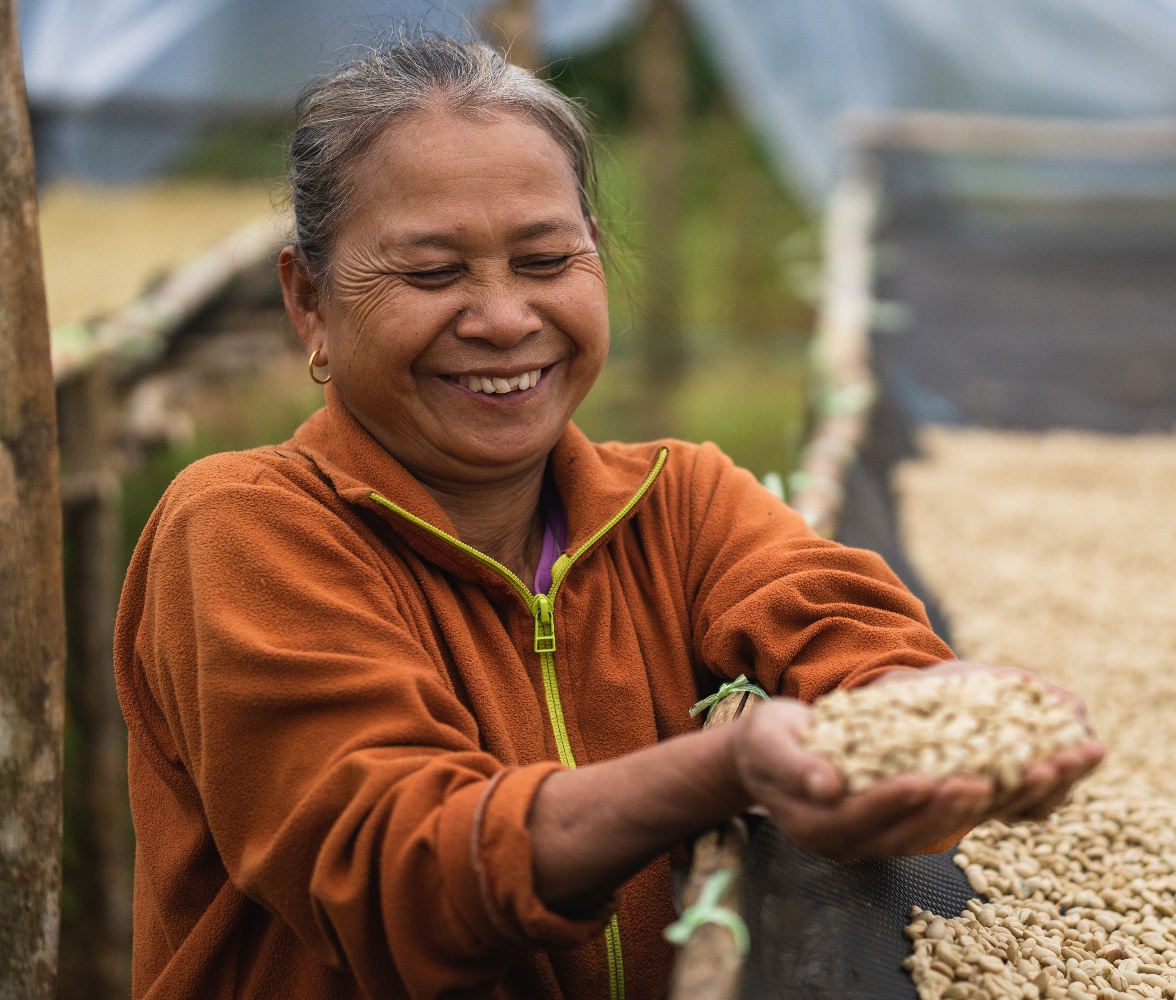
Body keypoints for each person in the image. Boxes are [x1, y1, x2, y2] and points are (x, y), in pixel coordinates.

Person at [113, 34, 1104, 1000]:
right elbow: (397, 873)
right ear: (310, 303)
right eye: (431, 273)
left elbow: (854, 635)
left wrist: (943, 729)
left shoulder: (674, 502)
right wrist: (724, 766)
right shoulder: (241, 530)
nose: (503, 318)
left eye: (546, 259)